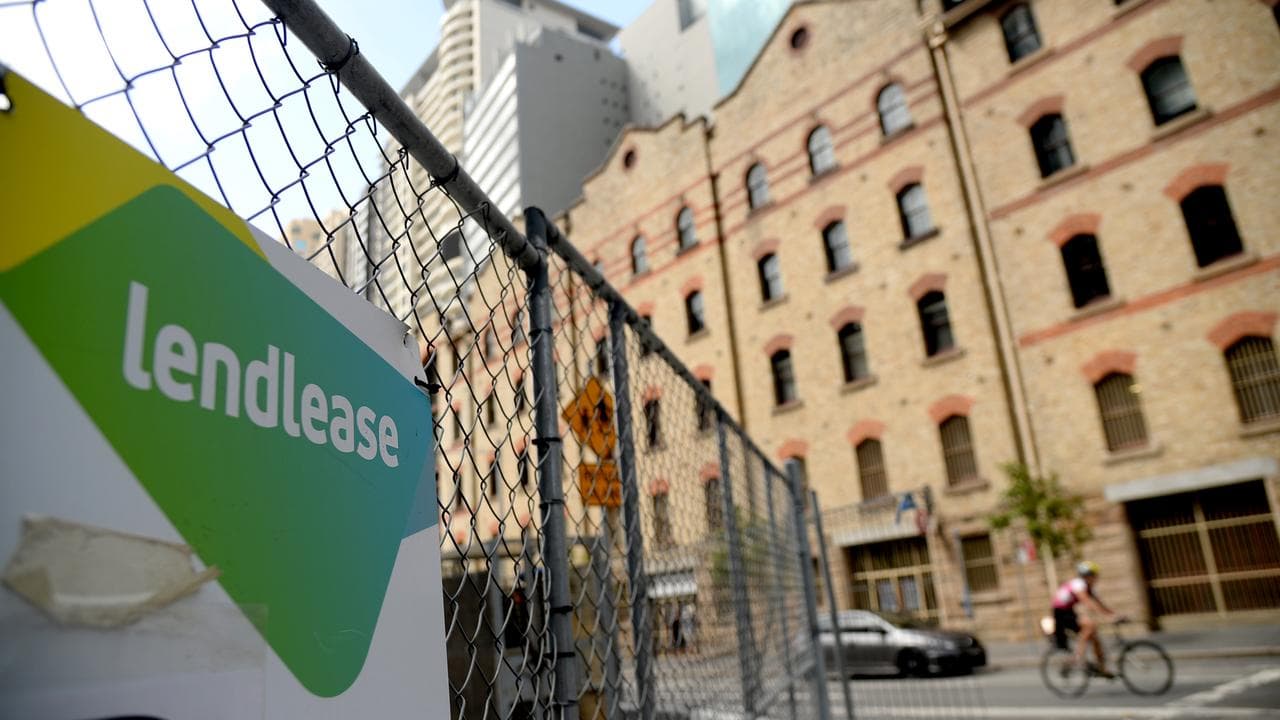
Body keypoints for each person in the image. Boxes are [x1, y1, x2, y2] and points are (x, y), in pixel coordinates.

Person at [1052, 560, 1122, 677]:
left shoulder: (1088, 587)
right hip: (1060, 612)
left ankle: (1102, 668)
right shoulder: (1078, 584)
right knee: (1089, 625)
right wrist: (1108, 616)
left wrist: (1115, 614)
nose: (1096, 578)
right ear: (1087, 576)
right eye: (1093, 576)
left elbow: (1100, 604)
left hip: (1070, 611)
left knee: (1095, 638)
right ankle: (1078, 657)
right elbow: (1087, 601)